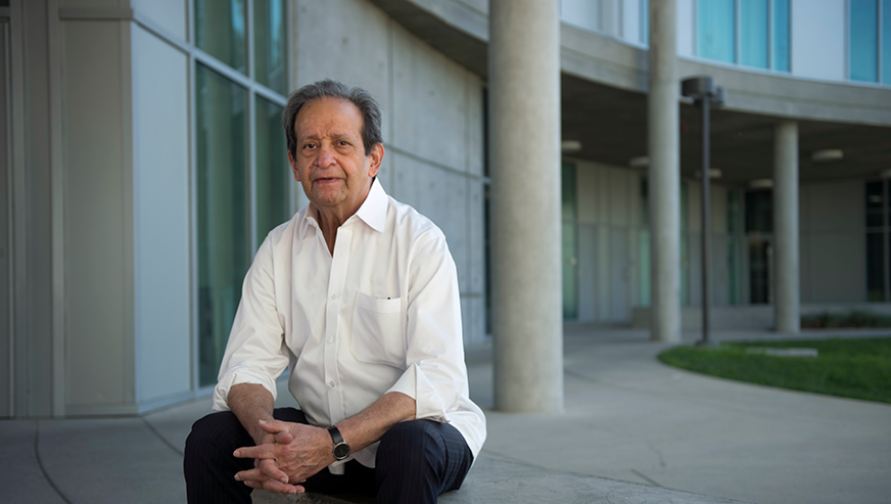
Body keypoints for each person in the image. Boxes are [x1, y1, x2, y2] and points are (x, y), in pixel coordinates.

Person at [183, 79, 486, 504]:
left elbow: (437, 377)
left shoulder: (419, 241)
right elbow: (246, 365)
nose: (324, 159)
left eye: (341, 143)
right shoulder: (278, 248)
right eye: (309, 146)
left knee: (409, 446)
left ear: (373, 158)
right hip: (321, 442)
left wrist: (332, 442)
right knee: (209, 439)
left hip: (424, 436)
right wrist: (268, 439)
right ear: (293, 163)